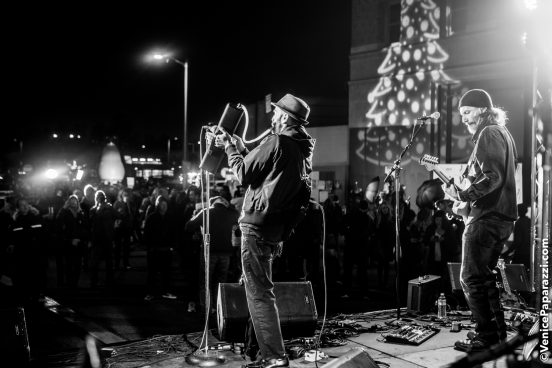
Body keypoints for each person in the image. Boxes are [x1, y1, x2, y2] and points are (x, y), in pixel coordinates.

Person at [211, 93, 315, 368]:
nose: (272, 117)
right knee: (256, 291)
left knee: (260, 295)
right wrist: (243, 149)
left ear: (283, 116)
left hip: (257, 228)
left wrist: (230, 150)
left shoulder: (279, 141)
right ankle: (255, 349)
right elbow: (266, 177)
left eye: (275, 113)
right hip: (273, 231)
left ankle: (274, 356)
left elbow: (244, 175)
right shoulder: (300, 151)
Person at [444, 89, 517, 353]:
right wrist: (463, 199)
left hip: (489, 216)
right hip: (499, 215)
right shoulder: (501, 133)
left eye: (467, 112)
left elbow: (492, 177)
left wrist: (463, 194)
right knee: (483, 279)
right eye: (461, 114)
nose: (464, 119)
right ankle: (495, 336)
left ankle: (486, 338)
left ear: (483, 110)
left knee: (471, 278)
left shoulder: (489, 133)